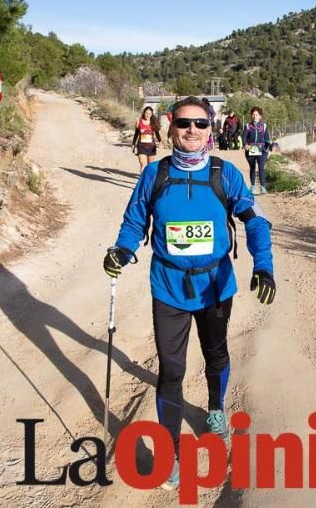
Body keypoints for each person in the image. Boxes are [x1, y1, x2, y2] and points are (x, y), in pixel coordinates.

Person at [103, 96, 276, 491]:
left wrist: (263, 264)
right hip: (168, 287)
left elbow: (255, 221)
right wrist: (122, 250)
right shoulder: (155, 175)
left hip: (216, 286)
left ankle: (216, 411)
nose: (192, 131)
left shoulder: (225, 173)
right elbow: (134, 222)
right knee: (171, 371)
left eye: (200, 124)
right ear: (171, 126)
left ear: (211, 128)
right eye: (184, 123)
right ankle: (169, 455)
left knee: (216, 356)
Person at [243, 106, 272, 194]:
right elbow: (244, 137)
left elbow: (267, 138)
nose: (255, 116)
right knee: (252, 168)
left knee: (261, 168)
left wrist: (268, 149)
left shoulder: (264, 126)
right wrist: (245, 145)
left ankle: (263, 187)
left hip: (261, 150)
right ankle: (252, 187)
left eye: (257, 115)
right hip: (251, 149)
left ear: (260, 116)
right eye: (253, 115)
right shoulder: (248, 126)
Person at [132, 106, 162, 172]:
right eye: (146, 113)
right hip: (141, 146)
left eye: (149, 114)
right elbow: (136, 134)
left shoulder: (153, 123)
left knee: (150, 166)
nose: (147, 115)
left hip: (151, 147)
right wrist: (133, 144)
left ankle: (148, 180)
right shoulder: (138, 122)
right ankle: (142, 180)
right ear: (143, 113)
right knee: (143, 164)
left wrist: (160, 141)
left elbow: (157, 133)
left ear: (151, 114)